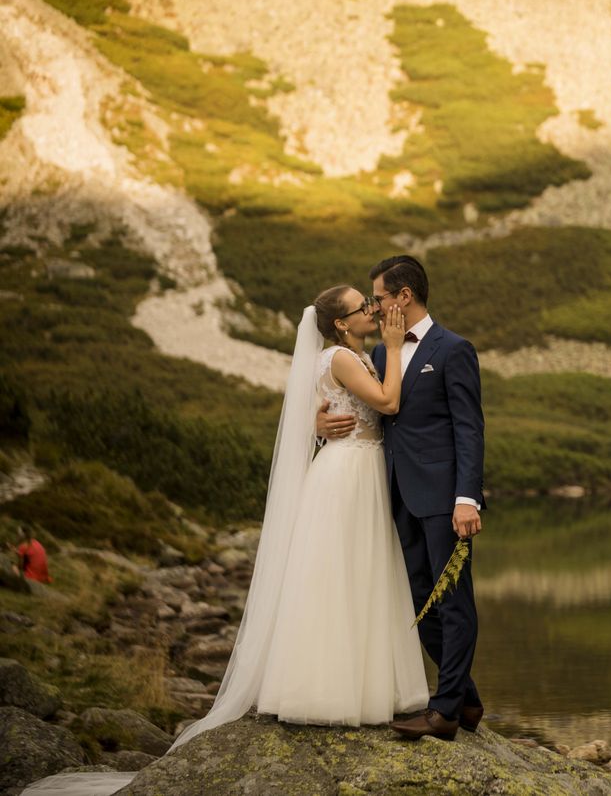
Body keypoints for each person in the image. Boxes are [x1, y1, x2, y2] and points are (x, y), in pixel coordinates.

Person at [21, 286, 428, 796]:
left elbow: (324, 411)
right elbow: (387, 401)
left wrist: (319, 418)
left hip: (357, 470)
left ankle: (364, 688)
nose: (372, 309)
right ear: (341, 324)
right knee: (339, 578)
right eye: (362, 306)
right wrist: (393, 346)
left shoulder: (353, 356)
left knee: (358, 576)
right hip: (347, 475)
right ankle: (330, 691)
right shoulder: (344, 357)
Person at [316, 255, 486, 742]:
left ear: (404, 297)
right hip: (395, 493)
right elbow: (364, 407)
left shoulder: (453, 349)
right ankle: (467, 700)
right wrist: (317, 421)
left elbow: (469, 429)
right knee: (419, 600)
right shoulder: (380, 352)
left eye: (380, 298)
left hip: (444, 498)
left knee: (452, 599)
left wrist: (467, 498)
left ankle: (445, 711)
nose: (374, 307)